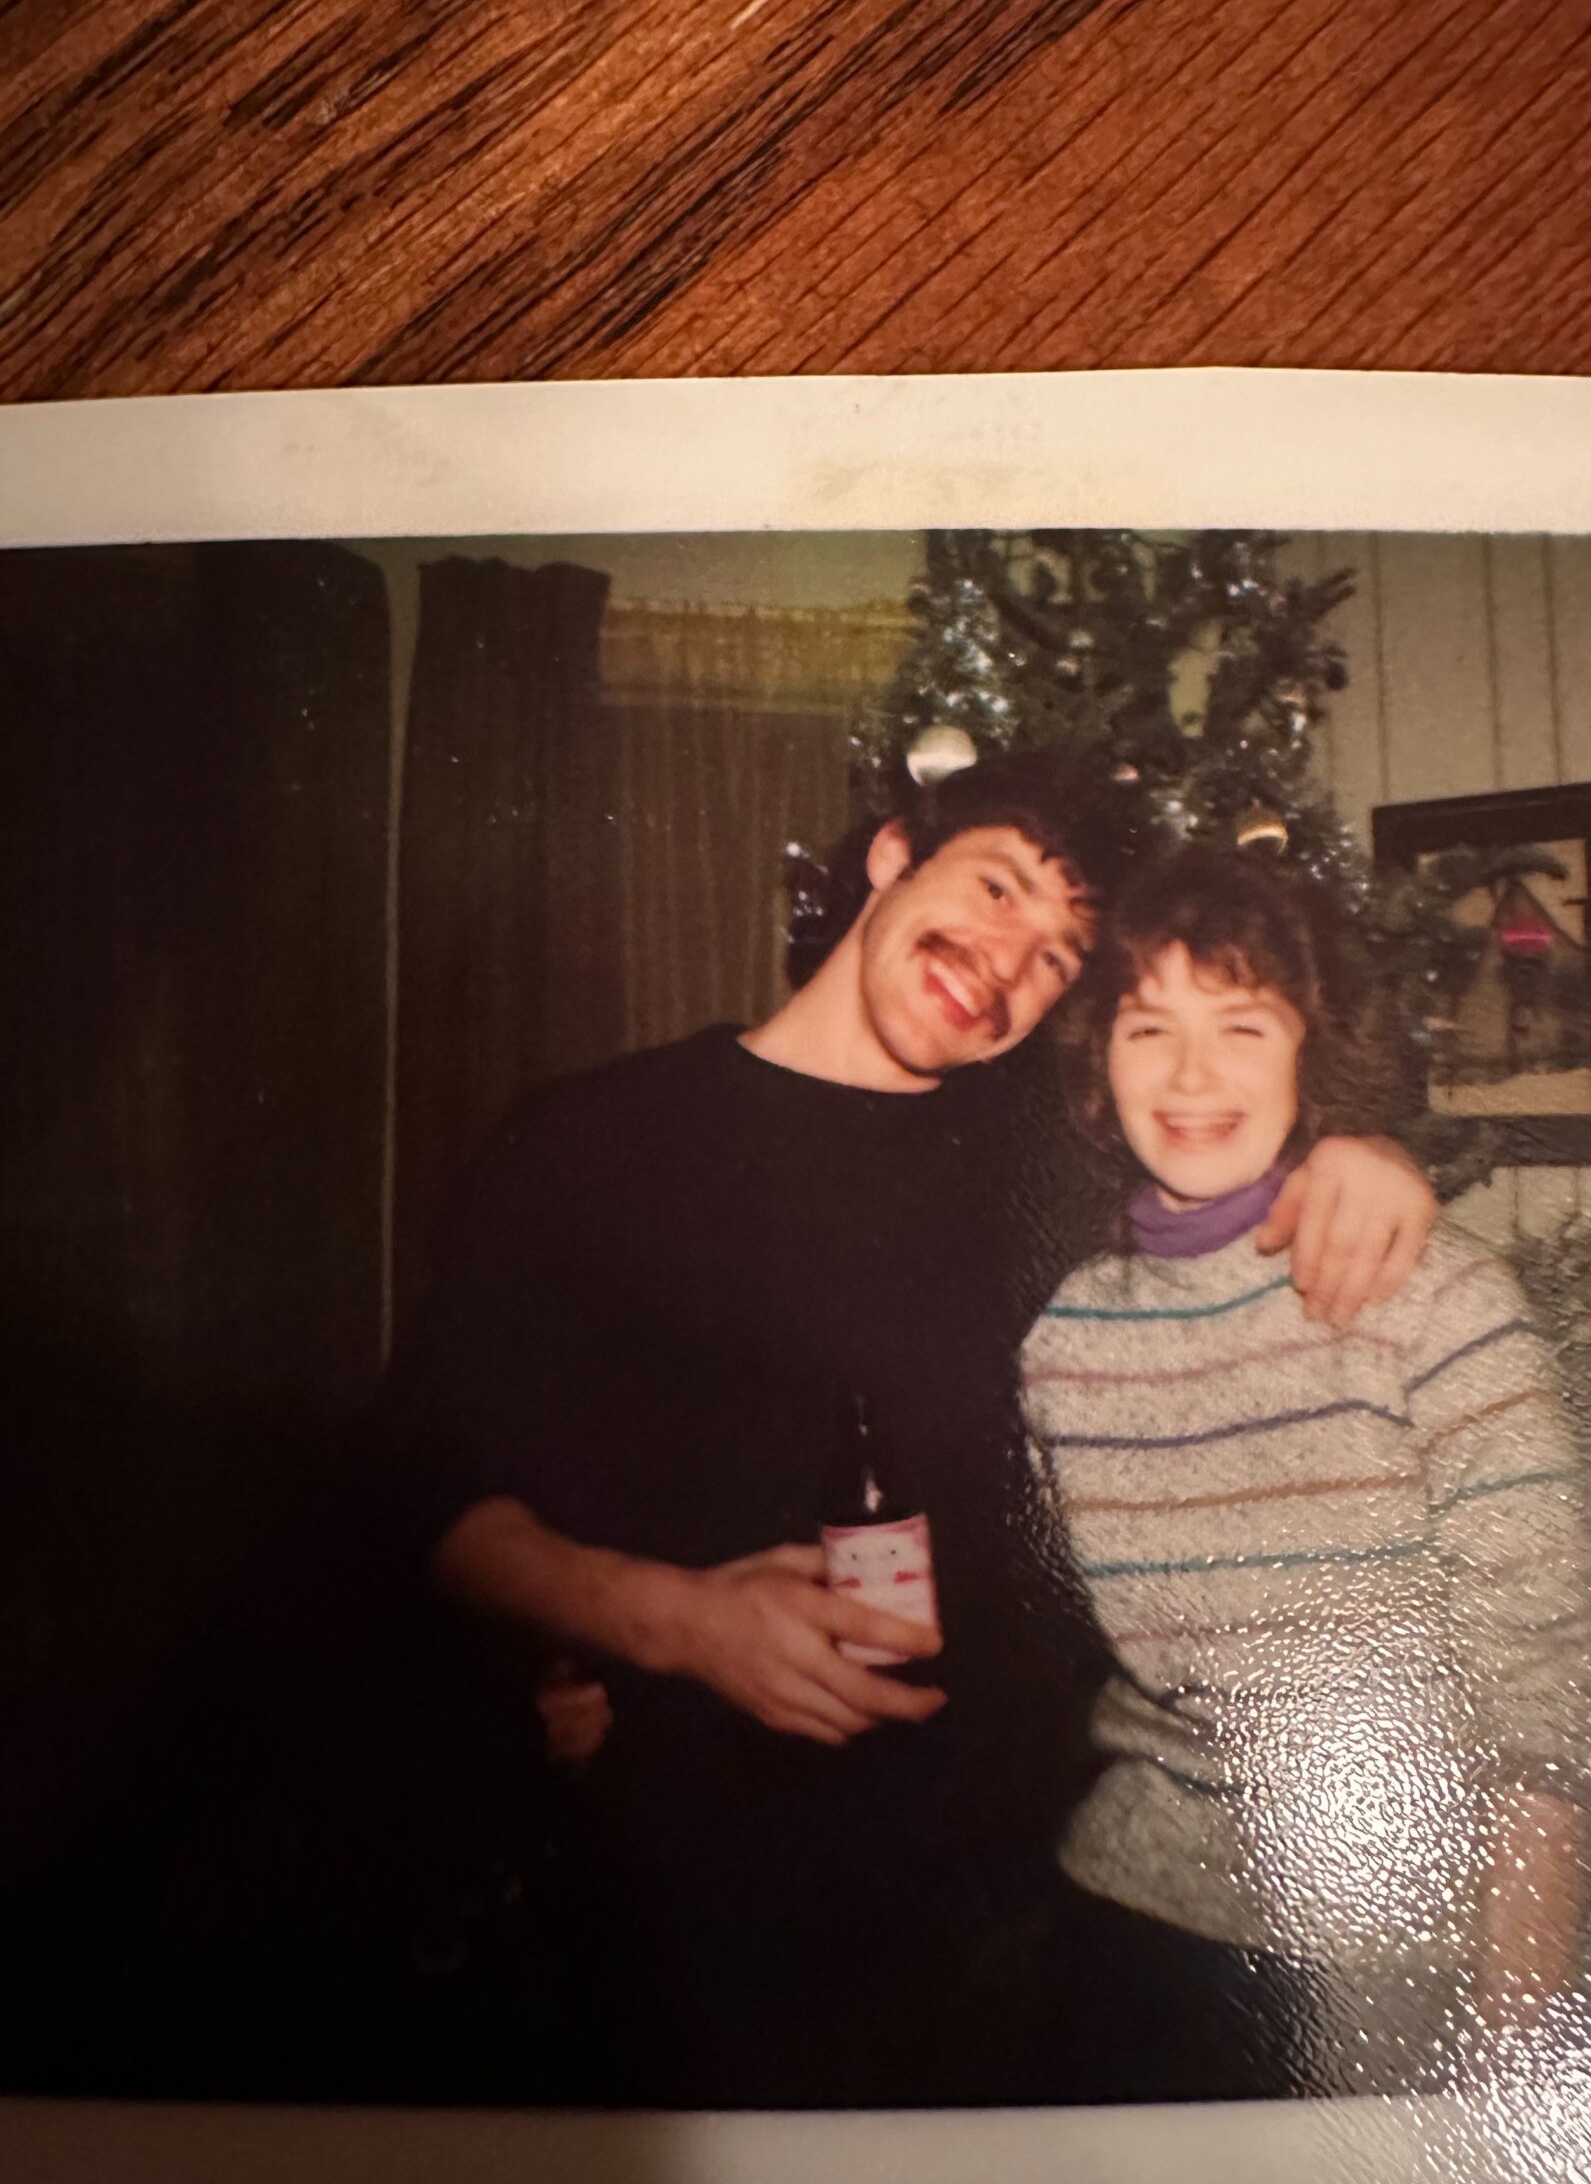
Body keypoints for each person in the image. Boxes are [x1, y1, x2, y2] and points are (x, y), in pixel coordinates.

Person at [379, 752, 1439, 2107]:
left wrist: (1362, 1155)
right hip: (677, 1914)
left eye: (1056, 957)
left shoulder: (1051, 1167)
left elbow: (1226, 1163)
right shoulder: (595, 1139)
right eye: (995, 889)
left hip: (1015, 1923)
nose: (1006, 963)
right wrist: (678, 1620)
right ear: (890, 857)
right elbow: (421, 1493)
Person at [1021, 843, 1591, 2102]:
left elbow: (1541, 1680)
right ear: (1100, 1061)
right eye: (1148, 1028)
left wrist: (1518, 2022)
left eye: (1242, 1025)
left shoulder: (1436, 1297)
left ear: (1310, 1051)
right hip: (1122, 1914)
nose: (1190, 1076)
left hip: (1390, 1937)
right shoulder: (1067, 1333)